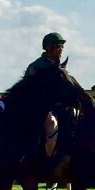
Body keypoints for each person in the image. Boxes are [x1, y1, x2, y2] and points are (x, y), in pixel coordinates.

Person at [25, 32, 75, 177]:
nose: (61, 49)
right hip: (41, 109)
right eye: (58, 46)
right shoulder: (36, 66)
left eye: (62, 47)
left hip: (60, 107)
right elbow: (28, 91)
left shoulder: (60, 66)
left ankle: (67, 153)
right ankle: (50, 159)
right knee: (52, 124)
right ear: (48, 48)